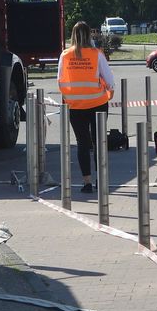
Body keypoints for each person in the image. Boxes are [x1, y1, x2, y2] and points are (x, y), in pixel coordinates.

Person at [58, 21, 116, 194]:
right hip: (97, 103)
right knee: (99, 142)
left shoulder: (65, 55)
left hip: (75, 106)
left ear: (73, 36)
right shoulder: (96, 54)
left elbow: (60, 79)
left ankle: (87, 182)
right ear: (89, 36)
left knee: (82, 144)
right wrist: (109, 92)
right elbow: (110, 80)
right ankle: (101, 180)